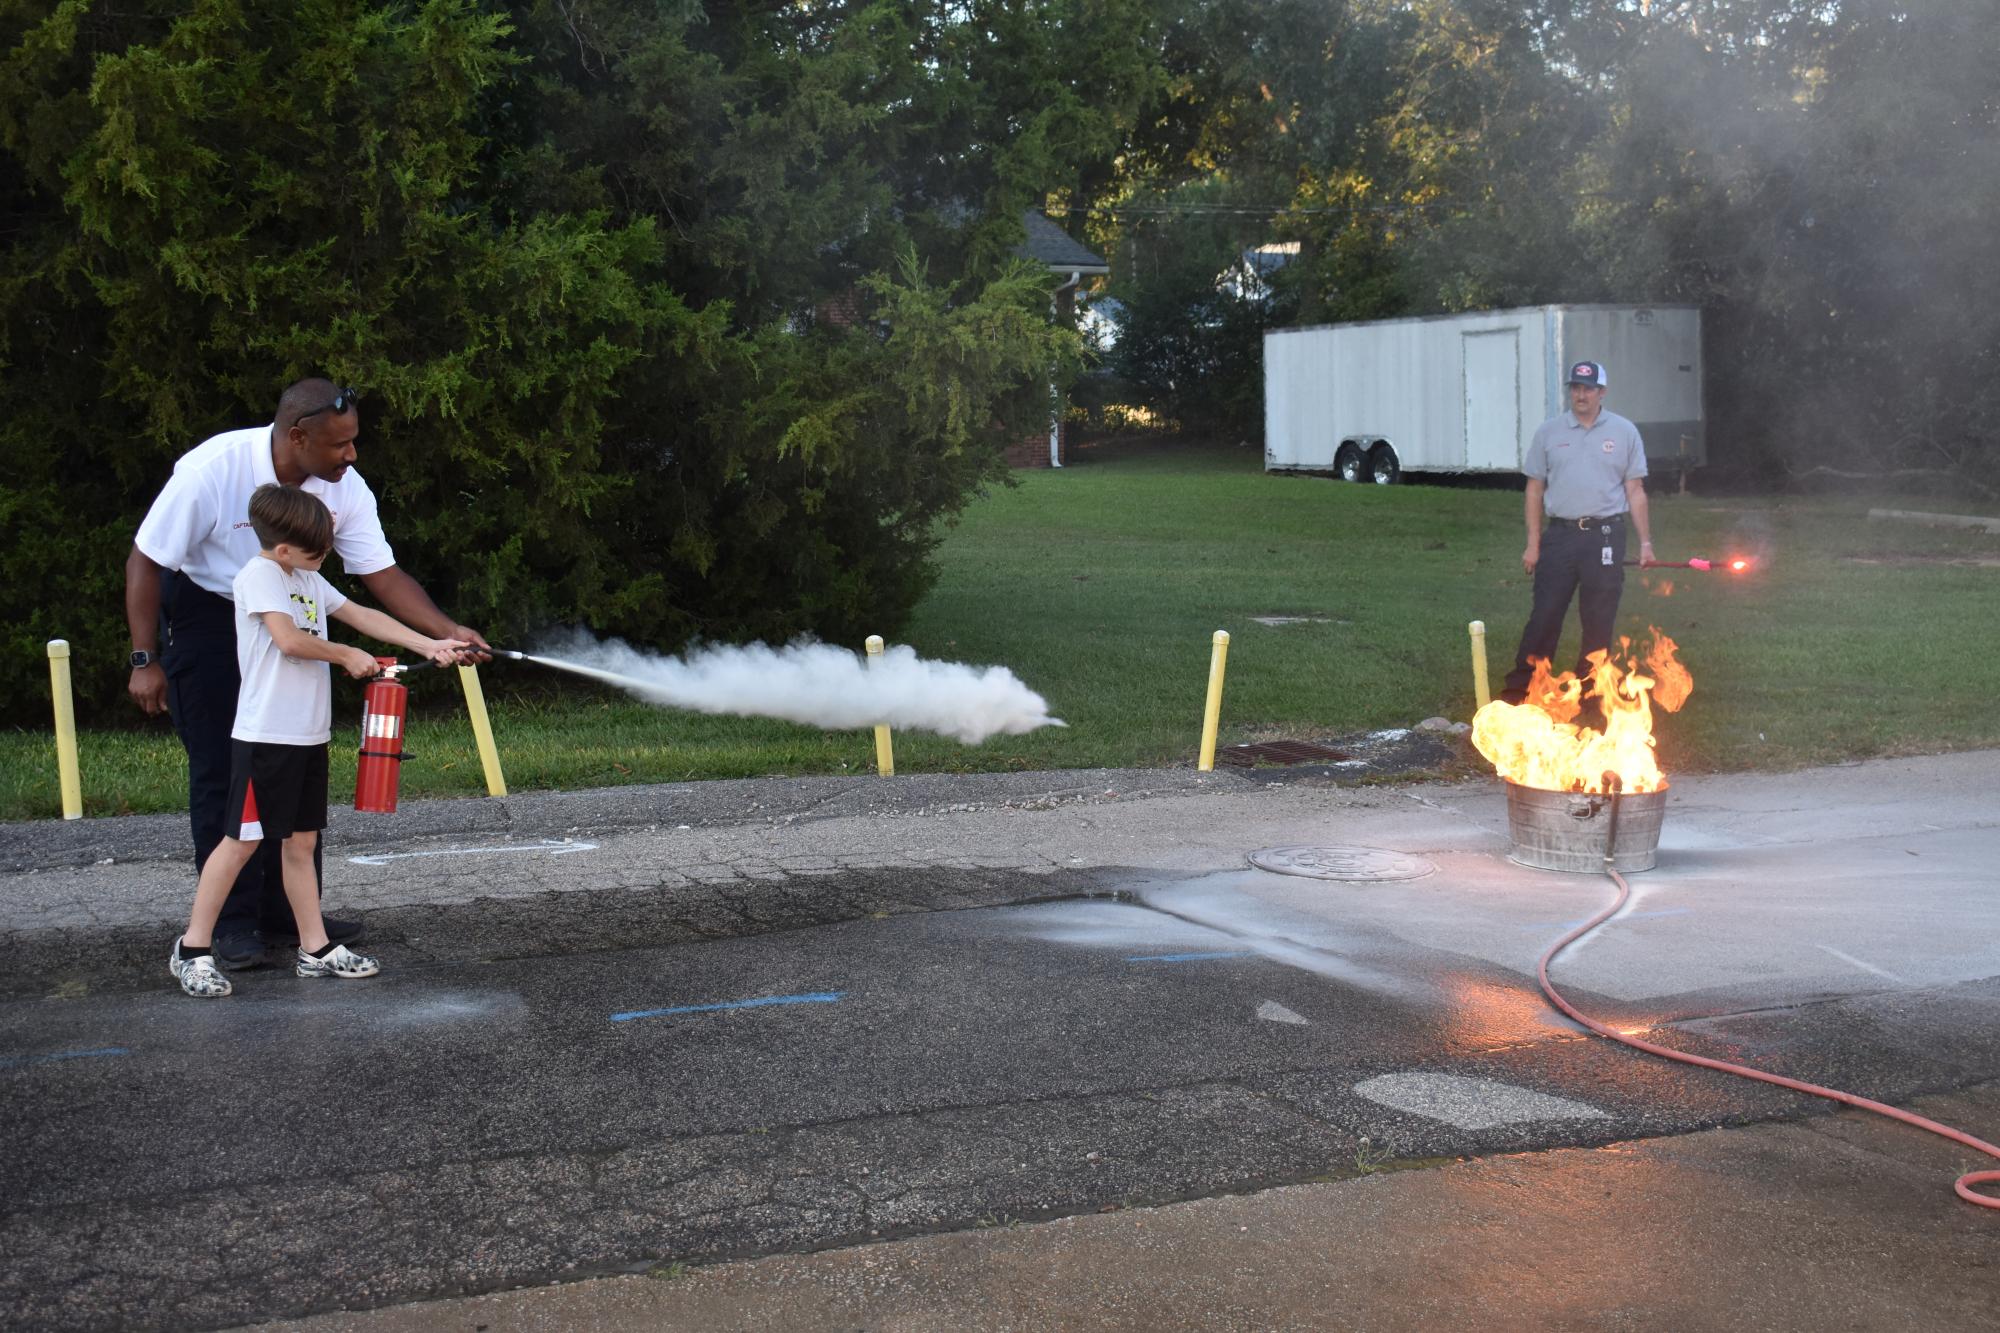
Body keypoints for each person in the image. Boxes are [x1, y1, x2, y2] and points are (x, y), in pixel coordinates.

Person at [127, 378, 489, 970]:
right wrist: (146, 659)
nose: (352, 455)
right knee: (226, 774)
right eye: (339, 444)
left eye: (354, 442)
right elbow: (147, 558)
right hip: (209, 613)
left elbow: (378, 579)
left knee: (296, 802)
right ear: (297, 436)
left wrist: (442, 635)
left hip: (296, 609)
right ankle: (231, 926)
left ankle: (297, 923)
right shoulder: (213, 468)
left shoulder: (337, 506)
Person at [170, 485, 467, 998]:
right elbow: (288, 640)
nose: (325, 557)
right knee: (241, 843)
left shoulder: (306, 577)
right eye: (317, 550)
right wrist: (346, 654)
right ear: (282, 548)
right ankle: (192, 949)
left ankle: (316, 948)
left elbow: (361, 615)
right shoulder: (259, 576)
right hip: (264, 738)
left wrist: (430, 642)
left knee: (302, 843)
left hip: (308, 737)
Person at [1499, 359, 1654, 708]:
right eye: (1576, 388)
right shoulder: (1549, 433)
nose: (1581, 395)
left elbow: (1635, 490)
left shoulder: (1624, 431)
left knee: (1598, 617)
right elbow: (1534, 490)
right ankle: (1521, 689)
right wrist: (1533, 544)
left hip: (1605, 537)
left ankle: (1590, 692)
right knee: (1545, 614)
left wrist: (1646, 543)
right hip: (1561, 536)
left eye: (1588, 388)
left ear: (1602, 392)